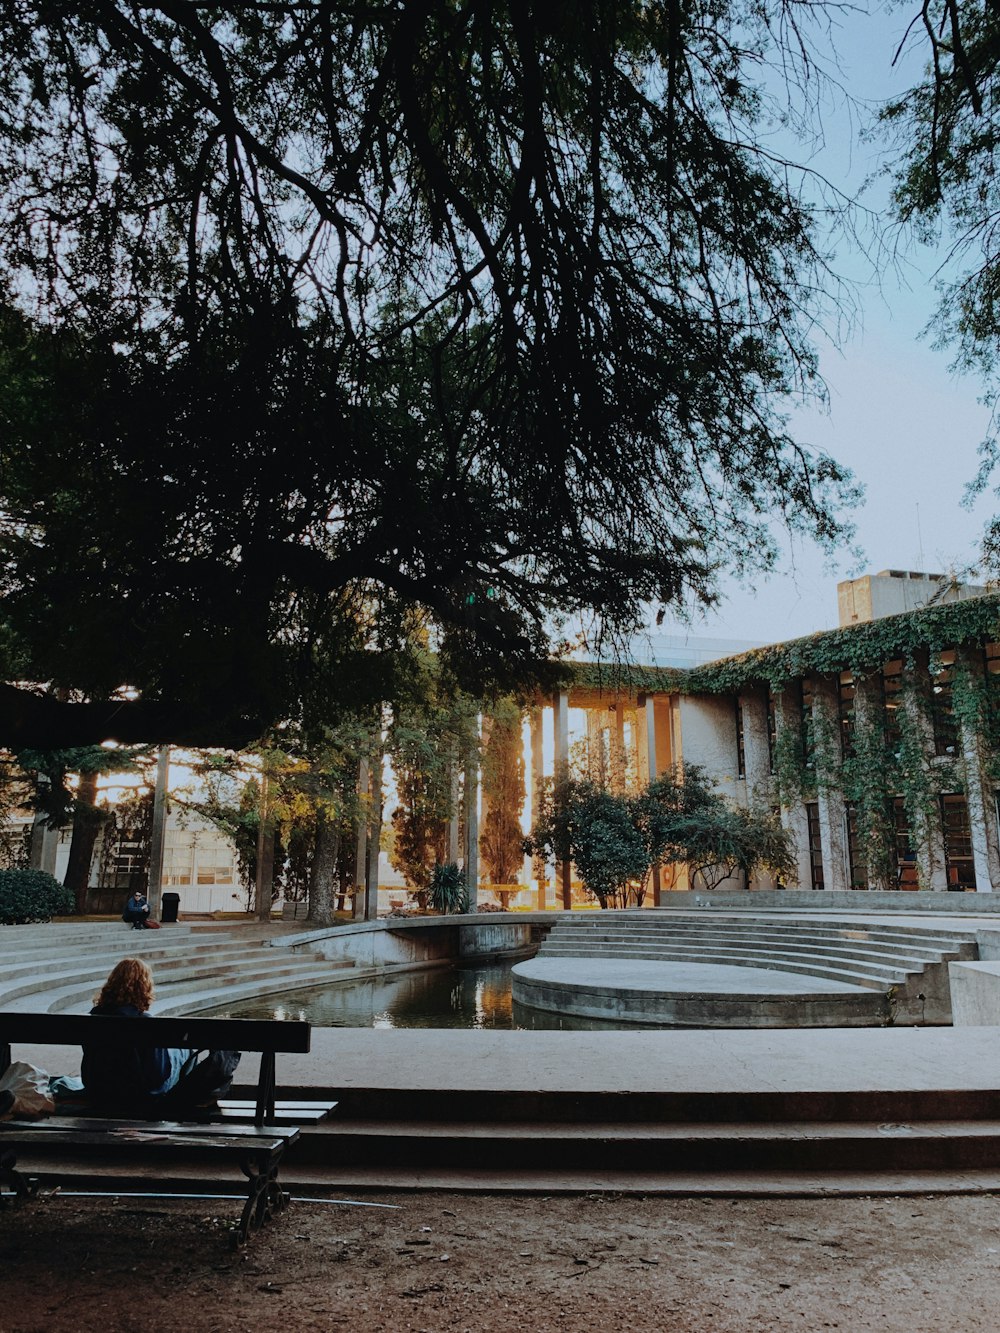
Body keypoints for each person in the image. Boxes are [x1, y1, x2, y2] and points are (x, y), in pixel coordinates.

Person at [81, 958, 240, 1117]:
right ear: (144, 987)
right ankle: (185, 1099)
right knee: (185, 1050)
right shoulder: (145, 1023)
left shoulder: (93, 1018)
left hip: (99, 1090)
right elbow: (158, 1075)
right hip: (140, 1095)